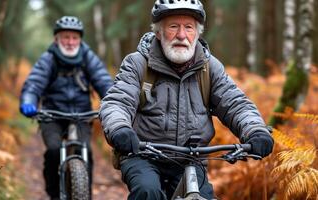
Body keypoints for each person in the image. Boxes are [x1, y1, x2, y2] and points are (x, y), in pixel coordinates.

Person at [99, 0, 274, 199]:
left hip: (190, 158)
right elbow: (118, 101)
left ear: (197, 33)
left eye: (188, 27)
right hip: (142, 155)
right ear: (158, 32)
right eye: (173, 27)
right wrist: (120, 128)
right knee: (148, 191)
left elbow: (235, 102)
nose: (181, 35)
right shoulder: (138, 63)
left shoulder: (209, 67)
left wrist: (255, 130)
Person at [19, 16, 113, 200]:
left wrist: (113, 102)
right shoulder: (49, 58)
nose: (70, 42)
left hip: (82, 113)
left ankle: (84, 194)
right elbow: (34, 83)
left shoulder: (87, 56)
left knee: (86, 150)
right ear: (57, 39)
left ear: (80, 40)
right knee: (54, 150)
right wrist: (29, 100)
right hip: (52, 114)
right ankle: (54, 194)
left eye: (74, 38)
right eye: (65, 37)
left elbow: (104, 81)